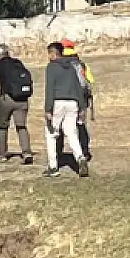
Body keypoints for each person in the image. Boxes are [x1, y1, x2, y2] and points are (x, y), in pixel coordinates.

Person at [43, 42, 89, 178]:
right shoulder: (71, 66)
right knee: (71, 133)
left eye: (49, 53)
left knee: (51, 134)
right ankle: (80, 157)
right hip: (73, 102)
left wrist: (48, 109)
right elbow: (78, 87)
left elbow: (50, 88)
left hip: (58, 101)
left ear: (53, 53)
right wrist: (82, 106)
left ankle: (53, 166)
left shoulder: (51, 67)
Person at [0, 44, 35, 165]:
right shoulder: (18, 63)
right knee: (21, 126)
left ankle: (2, 154)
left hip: (7, 99)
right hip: (22, 99)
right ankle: (26, 152)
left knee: (2, 127)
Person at [61, 39, 96, 161]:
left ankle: (58, 153)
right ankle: (84, 151)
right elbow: (90, 80)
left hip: (65, 99)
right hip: (82, 100)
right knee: (80, 125)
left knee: (61, 126)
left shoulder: (59, 65)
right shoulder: (81, 65)